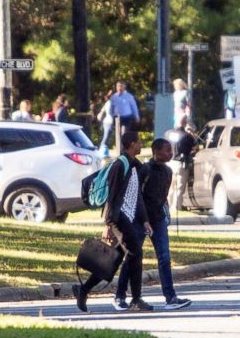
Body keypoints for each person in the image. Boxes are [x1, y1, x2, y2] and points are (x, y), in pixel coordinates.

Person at [73, 131, 153, 313]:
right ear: (131, 144)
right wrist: (108, 224)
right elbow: (112, 196)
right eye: (139, 142)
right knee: (135, 252)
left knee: (113, 260)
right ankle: (136, 300)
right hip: (118, 218)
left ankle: (83, 289)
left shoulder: (133, 166)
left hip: (128, 216)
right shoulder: (119, 165)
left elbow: (136, 195)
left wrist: (145, 220)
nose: (141, 145)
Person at [113, 139, 192, 311]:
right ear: (156, 151)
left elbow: (162, 197)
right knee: (132, 258)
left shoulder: (168, 171)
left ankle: (170, 298)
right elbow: (136, 195)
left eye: (171, 150)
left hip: (159, 220)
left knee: (164, 258)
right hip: (140, 220)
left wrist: (165, 214)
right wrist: (143, 219)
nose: (170, 153)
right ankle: (120, 295)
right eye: (166, 150)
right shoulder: (144, 170)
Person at [164, 115, 196, 211]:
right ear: (185, 123)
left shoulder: (168, 134)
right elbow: (195, 147)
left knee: (170, 188)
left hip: (168, 163)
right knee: (179, 189)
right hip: (180, 164)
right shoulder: (187, 136)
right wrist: (191, 133)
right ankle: (176, 208)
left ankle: (167, 208)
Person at [97, 91, 114, 157]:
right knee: (106, 137)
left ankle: (105, 152)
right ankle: (101, 151)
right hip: (108, 122)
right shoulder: (109, 103)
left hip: (109, 122)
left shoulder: (109, 103)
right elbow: (110, 112)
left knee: (108, 137)